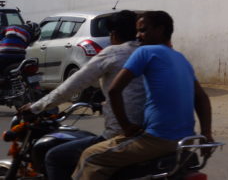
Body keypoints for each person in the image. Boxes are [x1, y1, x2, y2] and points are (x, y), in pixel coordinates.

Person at [73, 11, 213, 180]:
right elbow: (202, 98)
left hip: (158, 140)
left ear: (160, 30)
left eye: (143, 30)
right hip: (186, 140)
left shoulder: (145, 52)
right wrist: (206, 133)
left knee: (90, 156)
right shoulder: (180, 57)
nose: (138, 36)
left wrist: (126, 126)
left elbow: (114, 90)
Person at [21, 10, 144, 180]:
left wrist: (35, 107)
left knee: (54, 157)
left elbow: (71, 87)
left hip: (120, 135)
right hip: (151, 132)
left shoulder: (113, 53)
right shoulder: (149, 53)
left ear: (113, 34)